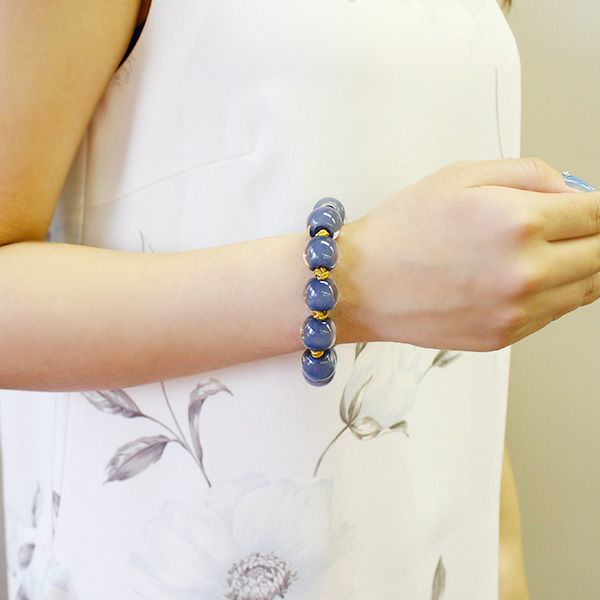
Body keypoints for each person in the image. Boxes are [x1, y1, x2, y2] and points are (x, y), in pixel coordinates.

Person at [0, 0, 596, 598]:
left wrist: (499, 561)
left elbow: (452, 312)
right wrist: (354, 281)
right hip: (167, 554)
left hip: (420, 550)